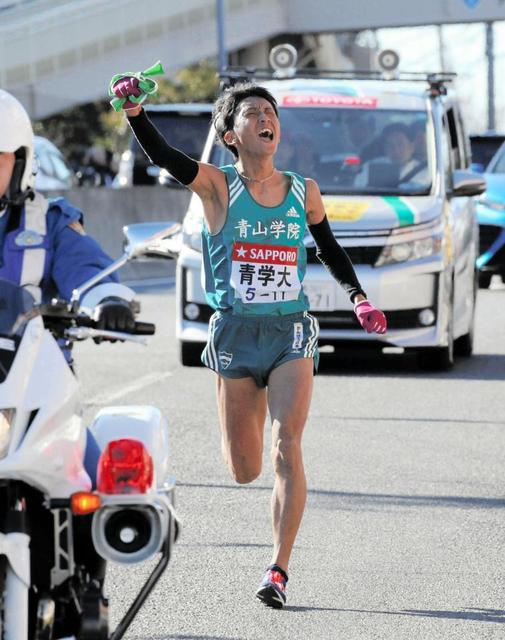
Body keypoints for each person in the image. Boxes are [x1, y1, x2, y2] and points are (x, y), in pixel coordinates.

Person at [111, 75, 387, 608]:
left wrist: (357, 298)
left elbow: (328, 247)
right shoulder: (217, 185)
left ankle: (278, 570)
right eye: (253, 112)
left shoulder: (303, 190)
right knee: (245, 468)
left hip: (290, 331)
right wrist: (136, 114)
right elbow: (168, 157)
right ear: (231, 134)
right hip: (236, 332)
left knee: (288, 444)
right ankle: (245, 445)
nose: (267, 118)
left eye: (272, 113)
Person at [0, 89, 137, 584]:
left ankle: (88, 600)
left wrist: (110, 301)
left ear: (19, 164)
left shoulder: (50, 222)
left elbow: (92, 270)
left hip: (36, 387)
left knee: (98, 479)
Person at [356, 122, 429, 188]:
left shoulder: (424, 171)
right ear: (385, 149)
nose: (396, 151)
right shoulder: (370, 167)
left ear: (412, 147)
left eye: (401, 144)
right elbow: (359, 189)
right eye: (390, 145)